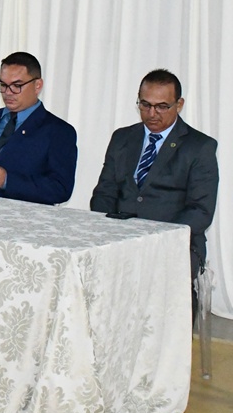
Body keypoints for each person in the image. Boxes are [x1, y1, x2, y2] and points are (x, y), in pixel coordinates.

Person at [90, 69, 218, 310]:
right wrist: (107, 232)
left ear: (179, 104)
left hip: (174, 242)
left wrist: (155, 239)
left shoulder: (200, 147)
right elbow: (104, 193)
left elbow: (200, 211)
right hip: (119, 238)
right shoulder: (122, 138)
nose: (151, 114)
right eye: (145, 105)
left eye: (162, 107)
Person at [0, 51, 77, 204]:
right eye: (3, 85)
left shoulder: (59, 131)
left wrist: (7, 181)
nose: (8, 93)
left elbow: (60, 189)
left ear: (37, 85)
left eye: (17, 86)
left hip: (25, 216)